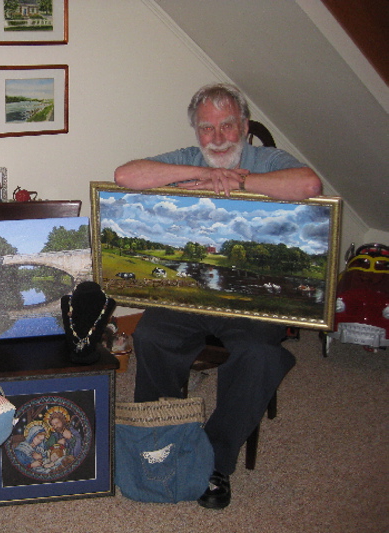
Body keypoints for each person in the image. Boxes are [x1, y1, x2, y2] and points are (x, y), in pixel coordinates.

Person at [114, 83, 322, 510]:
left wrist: (240, 179)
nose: (218, 137)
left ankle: (214, 459)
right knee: (151, 335)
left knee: (260, 356)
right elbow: (125, 176)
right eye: (207, 128)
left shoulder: (266, 159)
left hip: (251, 301)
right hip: (187, 296)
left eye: (227, 125)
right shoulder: (189, 159)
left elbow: (309, 184)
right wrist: (204, 175)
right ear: (196, 132)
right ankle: (164, 438)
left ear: (244, 127)